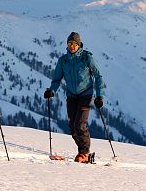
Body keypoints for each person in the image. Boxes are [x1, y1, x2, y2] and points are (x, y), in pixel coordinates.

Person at [44, 31, 106, 163]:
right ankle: (82, 151)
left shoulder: (86, 58)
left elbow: (98, 76)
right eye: (70, 43)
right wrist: (51, 90)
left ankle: (84, 153)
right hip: (71, 95)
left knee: (80, 124)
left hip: (86, 94)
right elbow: (57, 79)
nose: (72, 46)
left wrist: (100, 96)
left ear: (79, 45)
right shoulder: (63, 60)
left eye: (74, 44)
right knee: (72, 126)